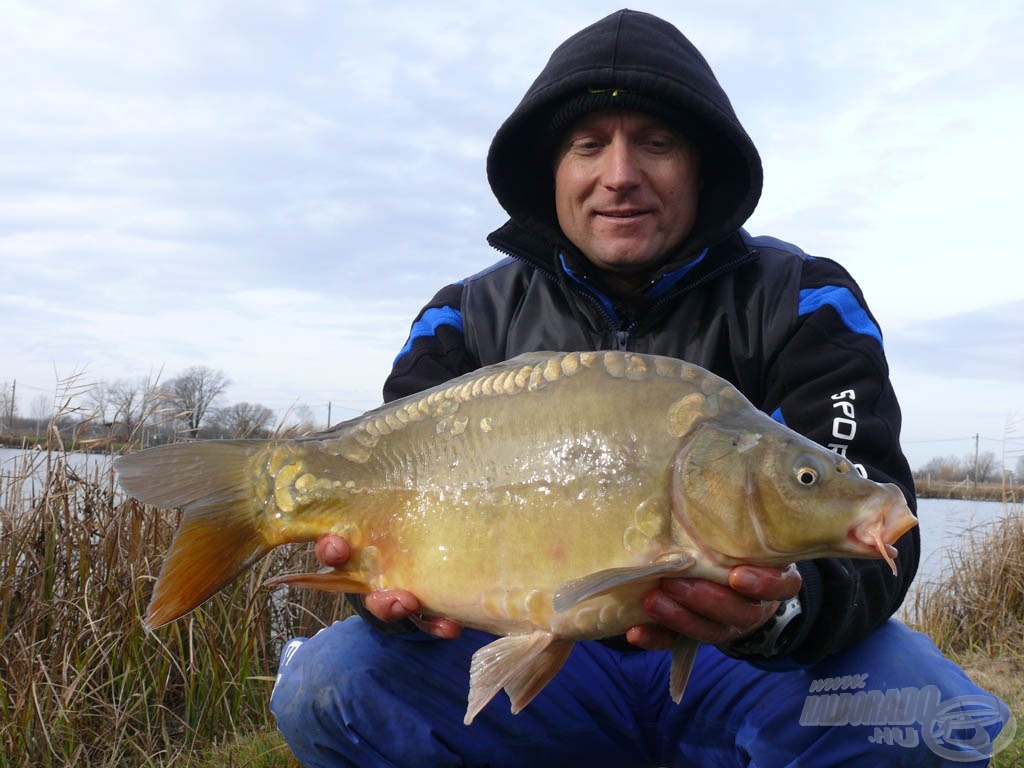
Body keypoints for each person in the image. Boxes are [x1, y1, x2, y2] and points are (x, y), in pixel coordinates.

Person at [270, 10, 1010, 767]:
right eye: (588, 145)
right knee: (331, 683)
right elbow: (381, 506)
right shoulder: (463, 318)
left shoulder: (803, 297)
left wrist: (771, 613)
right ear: (550, 171)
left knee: (925, 714)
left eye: (655, 143)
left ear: (702, 165)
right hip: (539, 658)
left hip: (745, 671)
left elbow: (871, 502)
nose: (619, 174)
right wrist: (385, 596)